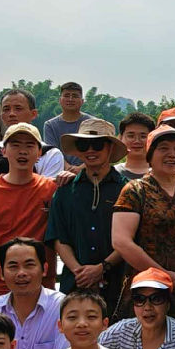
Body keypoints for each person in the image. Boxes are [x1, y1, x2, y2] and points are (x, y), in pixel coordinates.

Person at [112, 124, 175, 313]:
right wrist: (162, 273)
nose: (172, 154)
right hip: (147, 287)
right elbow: (121, 241)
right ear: (150, 154)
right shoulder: (135, 190)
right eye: (163, 148)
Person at [0, 123, 60, 296]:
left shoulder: (52, 190)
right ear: (4, 151)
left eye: (29, 146)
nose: (22, 151)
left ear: (39, 153)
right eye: (15, 145)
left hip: (42, 288)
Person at [48, 118, 133, 297]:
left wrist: (102, 268)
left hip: (117, 286)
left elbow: (132, 238)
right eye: (83, 145)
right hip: (74, 285)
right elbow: (58, 237)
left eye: (98, 145)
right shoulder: (65, 191)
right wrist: (79, 272)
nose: (90, 150)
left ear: (110, 147)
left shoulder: (128, 190)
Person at [0, 90, 71, 183]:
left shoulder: (51, 155)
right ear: (1, 115)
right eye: (6, 109)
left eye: (18, 108)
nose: (11, 114)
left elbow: (48, 192)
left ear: (34, 114)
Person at [41, 82, 98, 155]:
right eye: (66, 96)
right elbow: (52, 153)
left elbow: (97, 151)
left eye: (75, 96)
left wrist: (82, 163)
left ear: (82, 101)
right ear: (60, 100)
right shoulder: (50, 125)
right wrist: (64, 163)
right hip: (58, 162)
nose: (70, 99)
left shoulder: (93, 123)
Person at [119, 112, 157, 179]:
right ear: (121, 138)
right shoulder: (113, 173)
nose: (137, 141)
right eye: (131, 136)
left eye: (143, 136)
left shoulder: (161, 173)